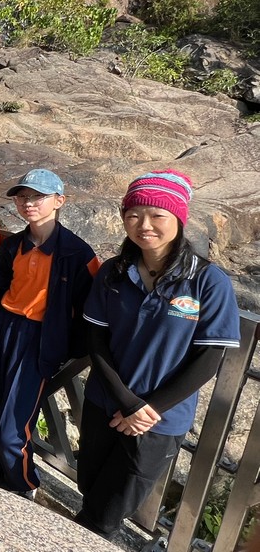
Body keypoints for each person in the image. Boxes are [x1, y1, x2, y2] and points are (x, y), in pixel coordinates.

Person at [74, 170, 240, 539]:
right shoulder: (114, 272)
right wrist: (126, 402)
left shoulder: (207, 281)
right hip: (106, 403)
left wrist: (146, 409)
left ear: (178, 219)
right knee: (90, 490)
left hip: (158, 420)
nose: (144, 225)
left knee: (106, 514)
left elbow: (208, 359)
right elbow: (96, 341)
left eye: (157, 215)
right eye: (133, 215)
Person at [0, 168, 99, 496]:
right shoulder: (13, 245)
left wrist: (66, 347)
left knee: (12, 430)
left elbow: (91, 310)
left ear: (59, 201)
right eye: (22, 197)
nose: (28, 203)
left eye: (38, 197)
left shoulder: (78, 254)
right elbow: (0, 288)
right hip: (4, 328)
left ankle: (23, 485)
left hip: (40, 339)